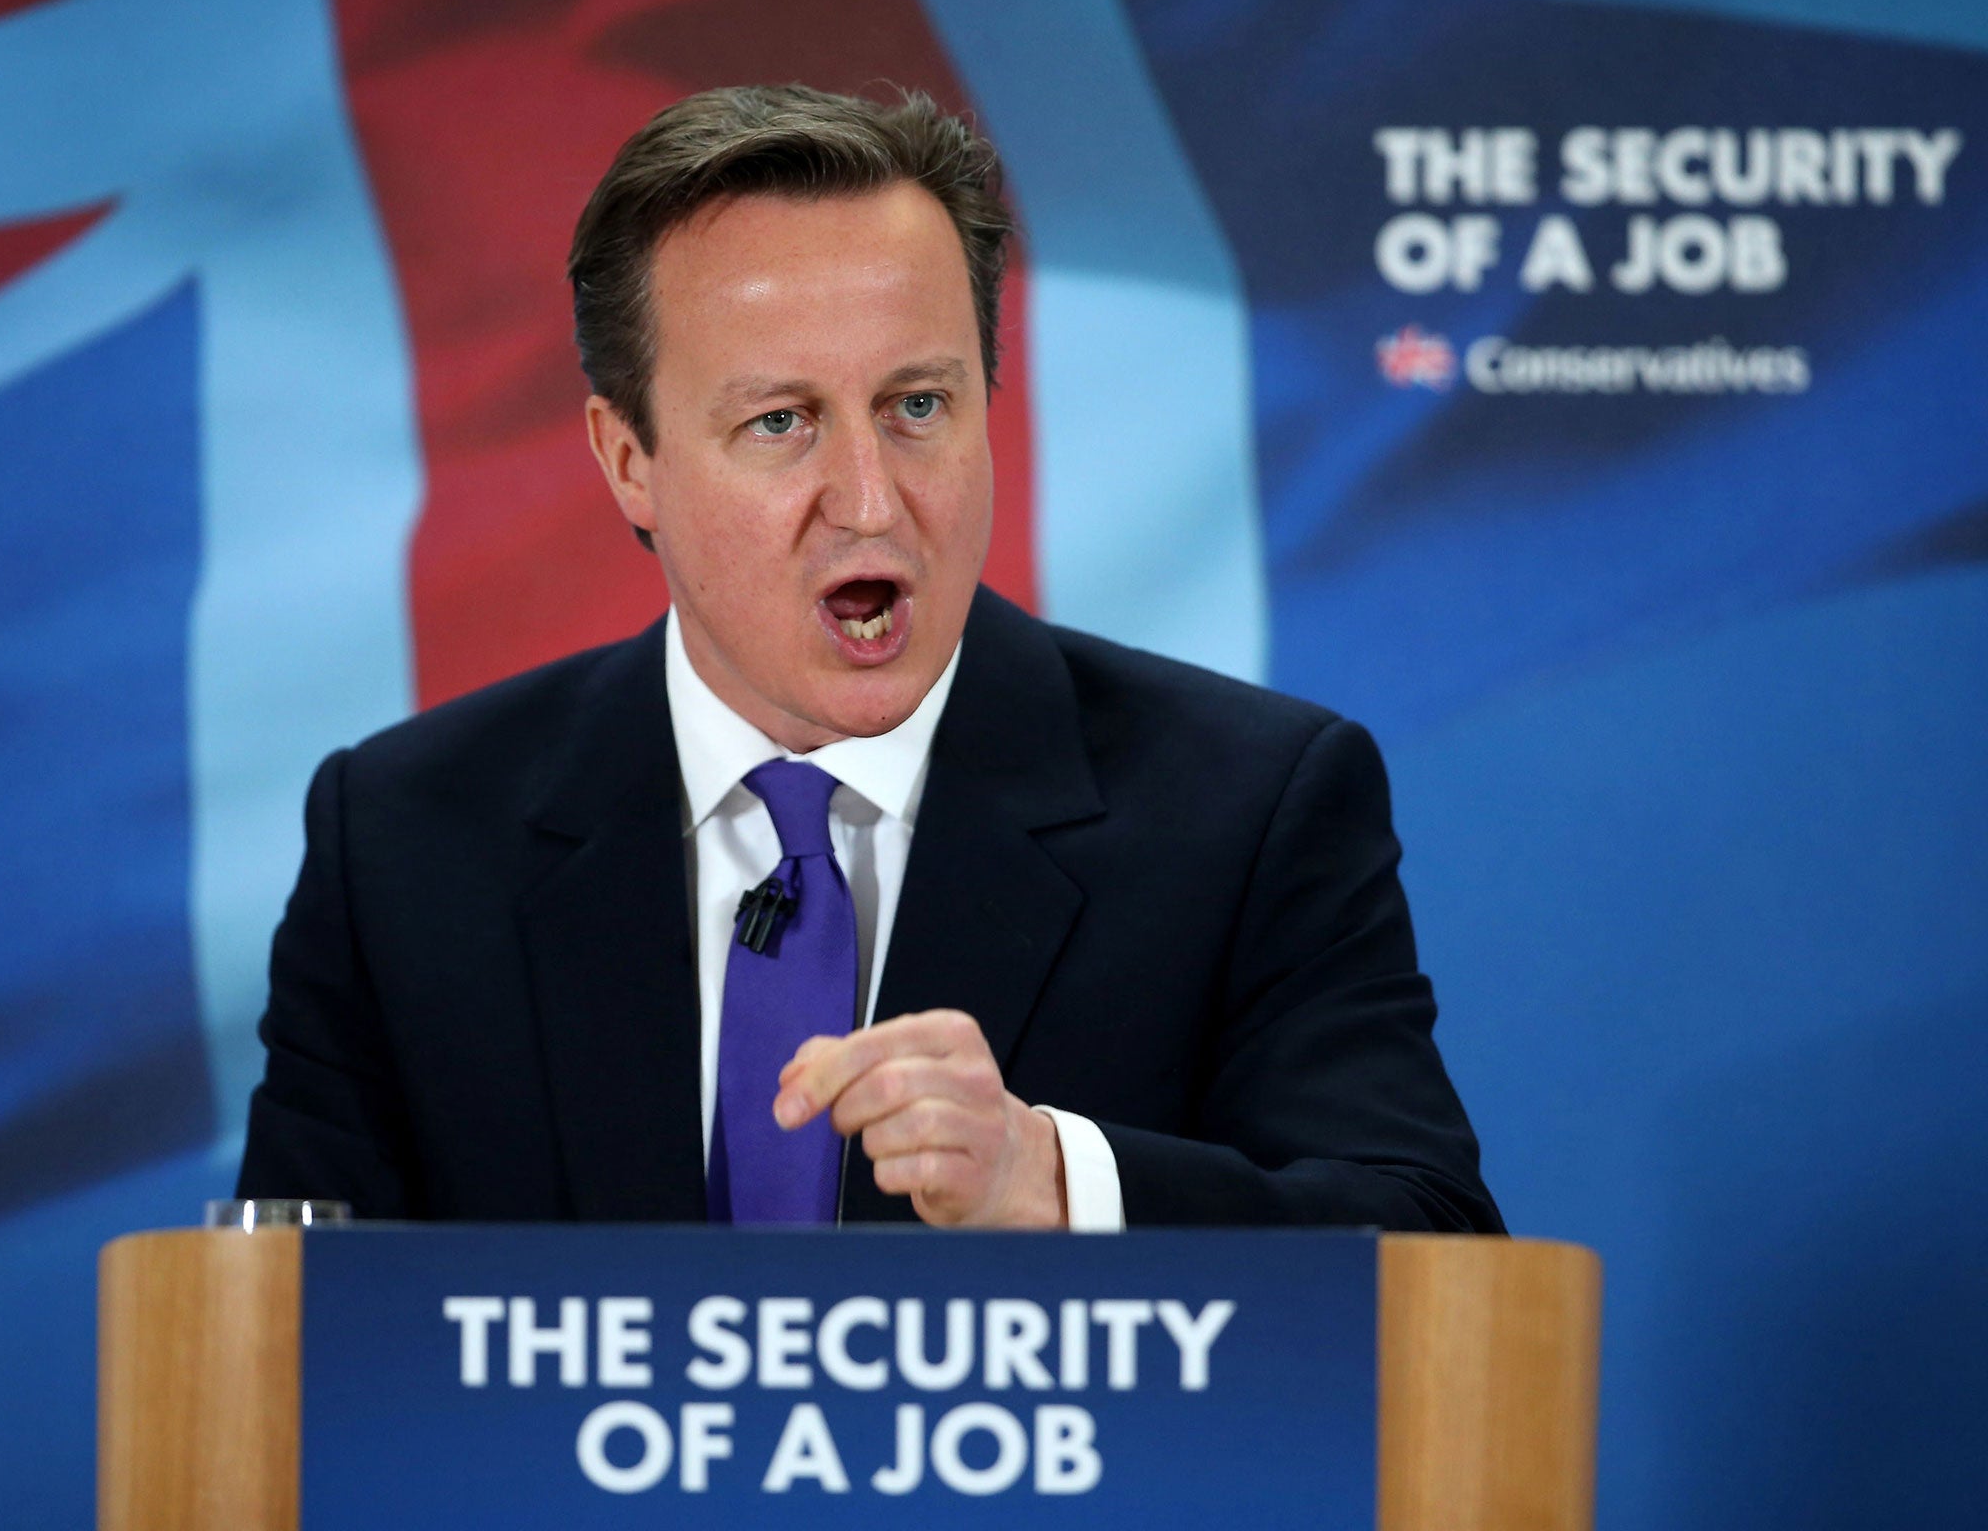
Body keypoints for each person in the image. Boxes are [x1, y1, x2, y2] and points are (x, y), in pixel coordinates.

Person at [236, 84, 1502, 1235]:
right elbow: (292, 1348)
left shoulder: (1248, 808)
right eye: (779, 422)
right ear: (630, 461)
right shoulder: (406, 842)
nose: (869, 499)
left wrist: (1052, 1183)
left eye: (918, 407)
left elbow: (1437, 1259)